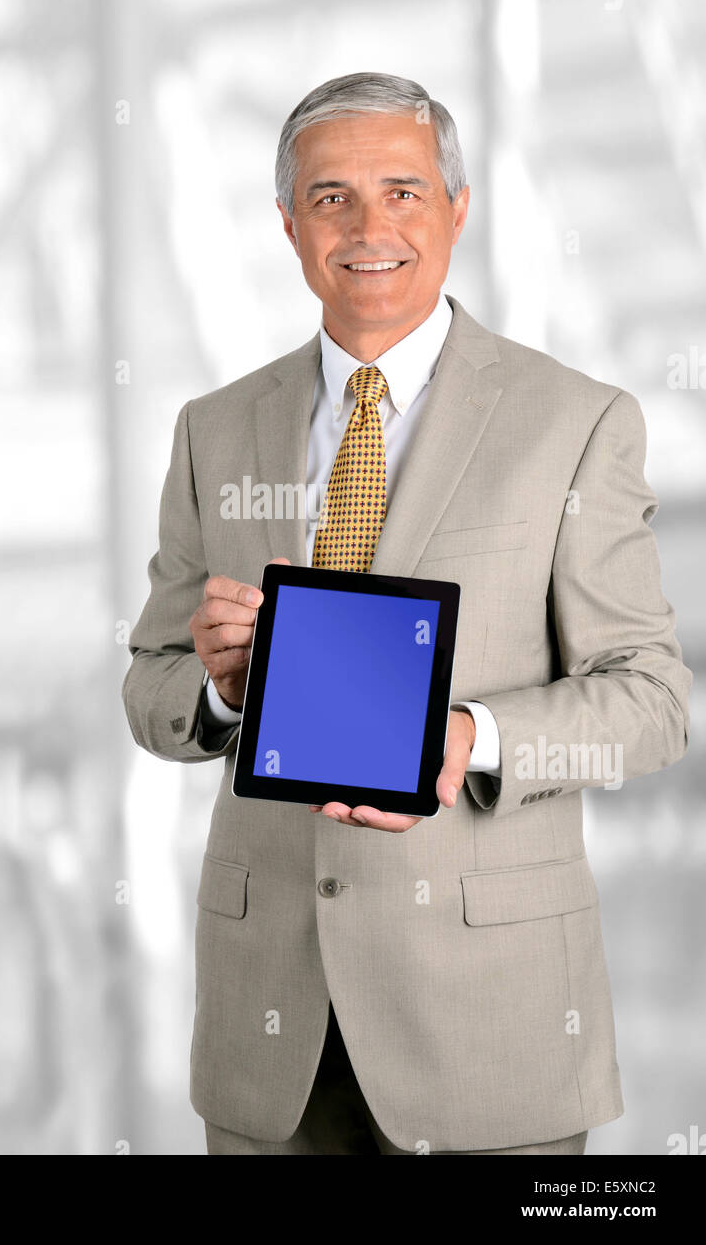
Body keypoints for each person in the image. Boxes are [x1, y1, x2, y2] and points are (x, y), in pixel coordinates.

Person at [122, 72, 691, 1155]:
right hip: (269, 1028)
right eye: (331, 198)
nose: (368, 227)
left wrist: (468, 737)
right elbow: (148, 685)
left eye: (402, 191)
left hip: (486, 1027)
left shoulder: (573, 424)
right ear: (288, 225)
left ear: (457, 207)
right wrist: (214, 687)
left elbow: (652, 698)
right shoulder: (214, 430)